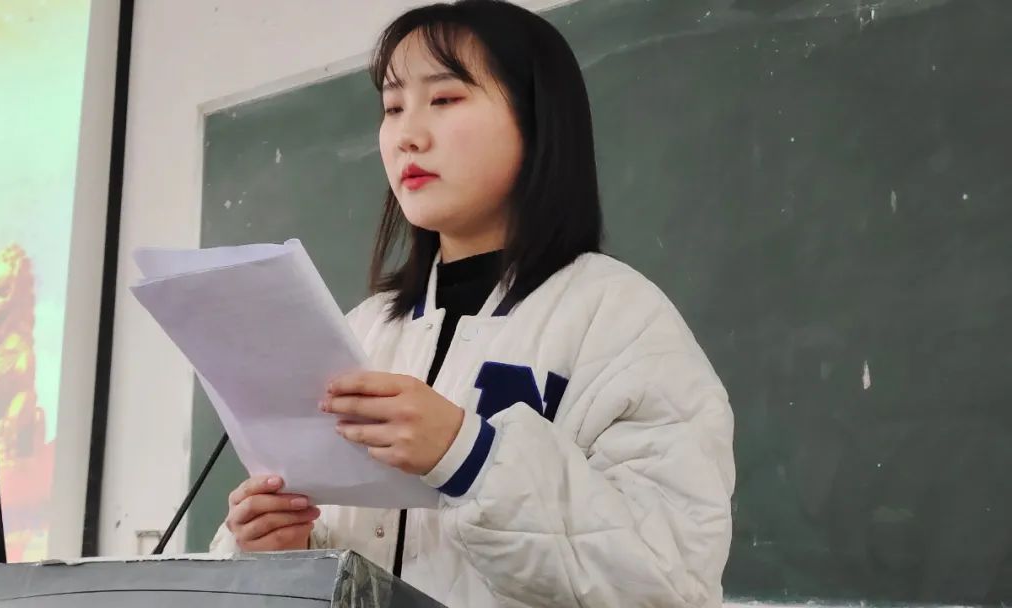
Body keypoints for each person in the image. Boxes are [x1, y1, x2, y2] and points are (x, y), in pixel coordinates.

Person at [210, 1, 735, 606]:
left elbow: (670, 580)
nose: (408, 134)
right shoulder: (362, 332)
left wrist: (470, 457)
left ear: (536, 121)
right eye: (393, 107)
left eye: (445, 99)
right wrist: (278, 549)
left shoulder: (621, 322)